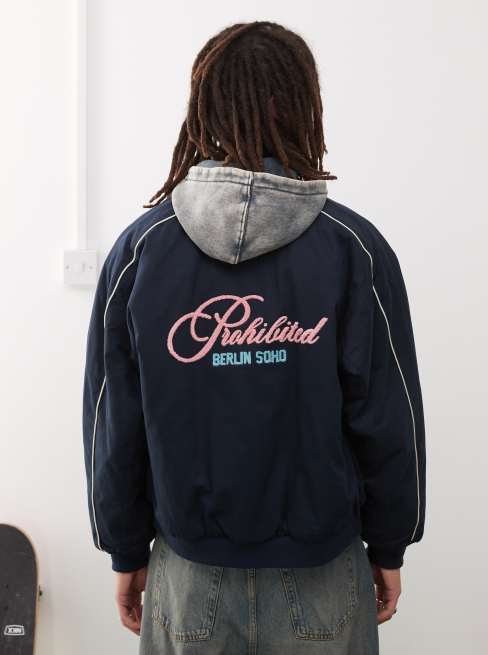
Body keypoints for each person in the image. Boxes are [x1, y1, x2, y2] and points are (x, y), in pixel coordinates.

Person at [82, 20, 426, 655]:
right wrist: (390, 543)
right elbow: (388, 416)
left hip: (188, 577)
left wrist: (124, 548)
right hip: (322, 574)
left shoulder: (141, 252)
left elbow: (113, 422)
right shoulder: (353, 248)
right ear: (301, 107)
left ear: (207, 107)